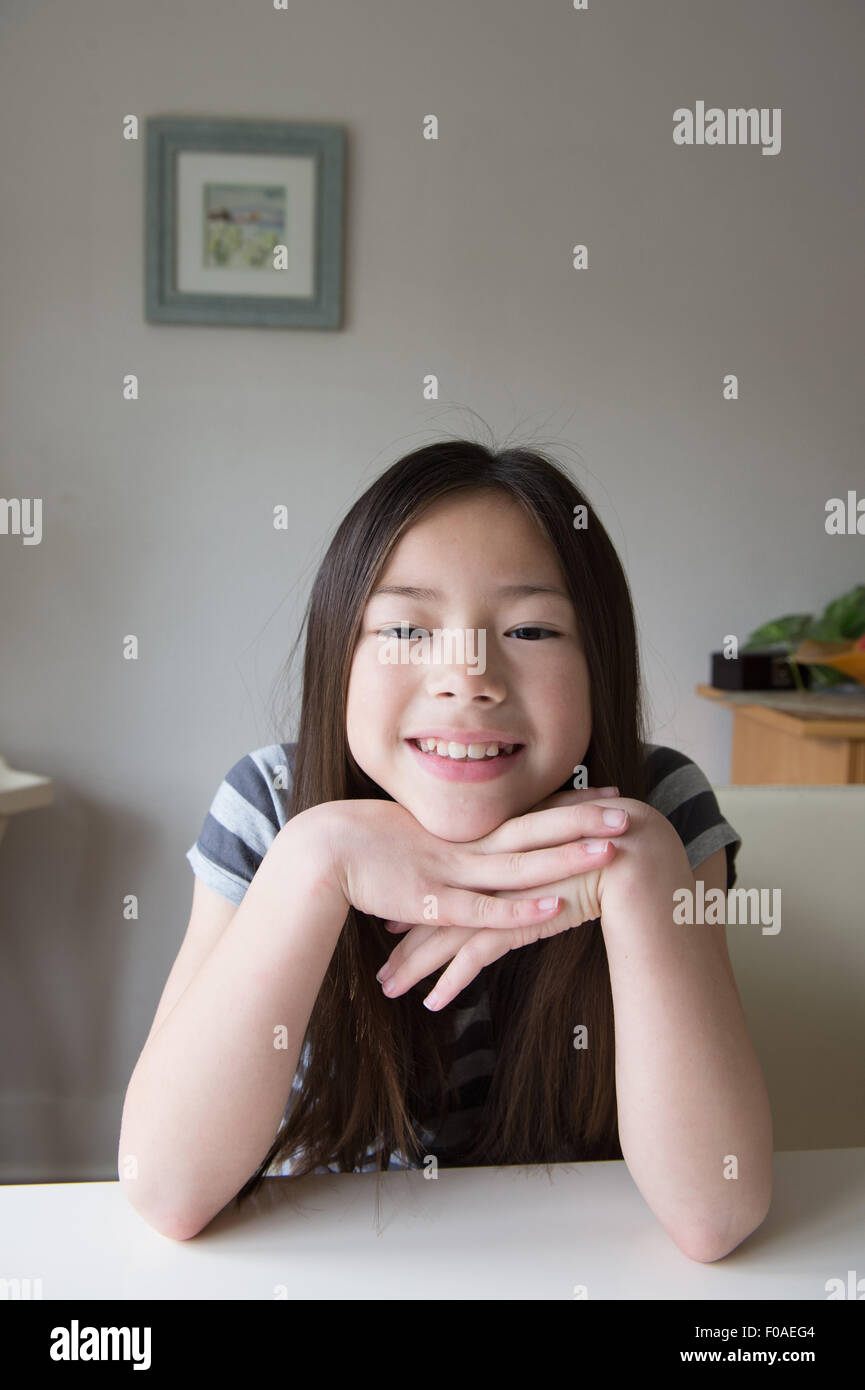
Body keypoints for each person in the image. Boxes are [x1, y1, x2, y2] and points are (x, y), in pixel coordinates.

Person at [119, 438, 773, 1259]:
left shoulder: (659, 810)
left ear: (601, 658)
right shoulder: (271, 808)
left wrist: (634, 868)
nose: (466, 676)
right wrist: (314, 862)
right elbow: (167, 1190)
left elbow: (712, 1213)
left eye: (531, 628)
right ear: (338, 653)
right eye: (403, 628)